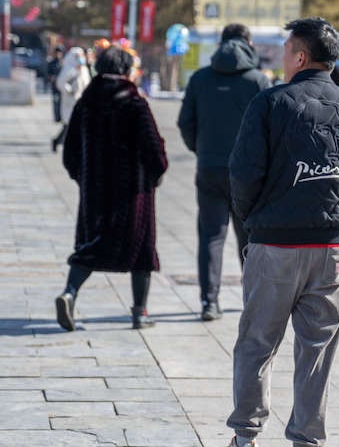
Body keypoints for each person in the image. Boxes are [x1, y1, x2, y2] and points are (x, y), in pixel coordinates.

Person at [215, 17, 339, 447]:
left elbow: (243, 174)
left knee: (257, 342)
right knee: (317, 349)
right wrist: (338, 207)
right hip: (331, 249)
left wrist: (255, 217)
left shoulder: (270, 103)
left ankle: (245, 443)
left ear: (299, 56)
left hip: (274, 243)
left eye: (286, 49)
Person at [55, 46, 168, 332]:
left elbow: (70, 152)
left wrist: (83, 178)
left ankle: (70, 293)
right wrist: (155, 175)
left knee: (91, 247)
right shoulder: (134, 103)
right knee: (141, 252)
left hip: (95, 192)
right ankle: (140, 312)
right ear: (126, 70)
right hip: (133, 195)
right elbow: (154, 150)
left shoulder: (86, 103)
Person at [177, 24, 271, 321]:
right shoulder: (258, 81)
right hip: (248, 173)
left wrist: (201, 150)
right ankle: (253, 299)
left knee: (211, 236)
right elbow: (271, 128)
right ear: (248, 43)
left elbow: (185, 122)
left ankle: (209, 302)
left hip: (210, 167)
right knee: (250, 238)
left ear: (221, 43)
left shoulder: (200, 78)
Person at [51, 47, 91, 152]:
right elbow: (60, 83)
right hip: (70, 101)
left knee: (76, 126)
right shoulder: (68, 69)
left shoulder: (84, 70)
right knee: (69, 125)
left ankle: (68, 144)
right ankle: (58, 141)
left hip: (81, 101)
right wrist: (69, 91)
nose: (81, 58)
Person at [46, 45, 64, 123]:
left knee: (62, 103)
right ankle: (57, 117)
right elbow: (47, 74)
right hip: (55, 87)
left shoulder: (63, 63)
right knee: (56, 102)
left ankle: (62, 117)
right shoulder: (51, 63)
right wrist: (51, 78)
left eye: (60, 53)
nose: (58, 54)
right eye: (57, 53)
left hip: (63, 87)